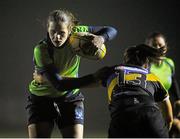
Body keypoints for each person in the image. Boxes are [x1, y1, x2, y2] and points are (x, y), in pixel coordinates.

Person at [34, 44, 173, 137]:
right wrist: (166, 126)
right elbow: (167, 111)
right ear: (146, 64)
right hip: (150, 115)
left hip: (122, 116)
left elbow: (80, 83)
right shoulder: (152, 77)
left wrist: (45, 78)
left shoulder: (112, 71)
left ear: (125, 60)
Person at [26, 9, 117, 138]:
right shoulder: (41, 49)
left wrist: (100, 38)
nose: (56, 37)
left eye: (62, 33)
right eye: (52, 32)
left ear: (71, 30)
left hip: (70, 97)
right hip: (41, 98)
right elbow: (59, 84)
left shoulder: (77, 33)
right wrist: (94, 77)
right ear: (47, 29)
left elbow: (112, 30)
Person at [145, 32, 180, 137]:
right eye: (154, 45)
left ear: (166, 47)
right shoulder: (145, 66)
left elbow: (172, 81)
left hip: (167, 106)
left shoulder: (169, 63)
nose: (158, 48)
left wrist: (178, 99)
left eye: (160, 45)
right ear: (147, 48)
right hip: (150, 108)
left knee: (177, 128)